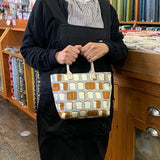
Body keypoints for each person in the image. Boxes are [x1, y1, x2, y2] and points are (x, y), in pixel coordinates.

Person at [20, 0, 128, 159]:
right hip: (57, 112)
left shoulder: (106, 9)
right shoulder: (46, 5)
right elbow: (28, 49)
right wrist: (56, 56)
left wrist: (107, 47)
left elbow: (122, 52)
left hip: (96, 111)